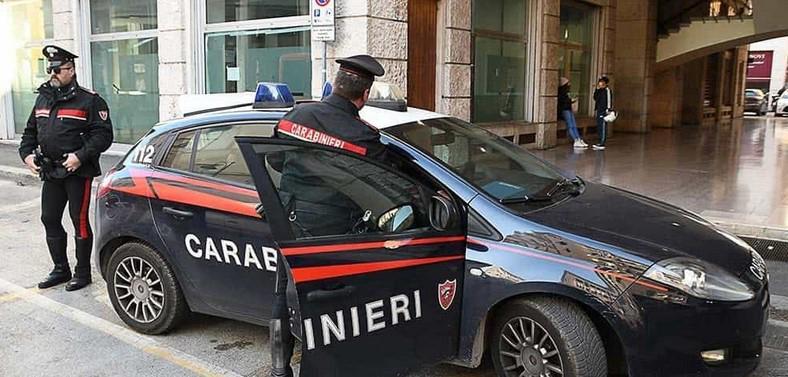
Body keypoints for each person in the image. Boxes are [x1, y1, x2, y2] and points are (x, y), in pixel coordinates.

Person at [269, 54, 386, 377]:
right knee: (328, 304)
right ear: (364, 96)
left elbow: (275, 160)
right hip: (335, 230)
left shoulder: (297, 115)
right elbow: (378, 185)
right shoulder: (363, 136)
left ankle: (280, 370)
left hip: (290, 220)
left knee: (283, 294)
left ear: (335, 84)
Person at [19, 45, 114, 291]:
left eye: (57, 69)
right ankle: (61, 269)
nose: (52, 74)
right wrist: (27, 156)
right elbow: (30, 132)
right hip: (50, 171)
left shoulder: (90, 100)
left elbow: (103, 136)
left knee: (79, 220)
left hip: (77, 171)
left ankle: (82, 274)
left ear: (71, 70)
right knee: (49, 218)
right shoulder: (43, 97)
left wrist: (80, 156)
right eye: (50, 69)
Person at [558, 77, 586, 148]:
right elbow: (562, 102)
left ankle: (578, 139)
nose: (570, 84)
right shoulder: (562, 92)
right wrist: (571, 100)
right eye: (568, 83)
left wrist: (571, 101)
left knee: (573, 124)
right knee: (570, 125)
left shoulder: (566, 92)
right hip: (565, 110)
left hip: (568, 109)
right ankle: (576, 140)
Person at [592, 76, 613, 150]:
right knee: (599, 126)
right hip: (599, 110)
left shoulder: (607, 90)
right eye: (600, 82)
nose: (600, 83)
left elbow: (609, 100)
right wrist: (597, 89)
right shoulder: (600, 90)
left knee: (603, 126)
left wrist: (608, 109)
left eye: (602, 82)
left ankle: (602, 142)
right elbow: (595, 97)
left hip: (604, 110)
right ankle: (599, 141)